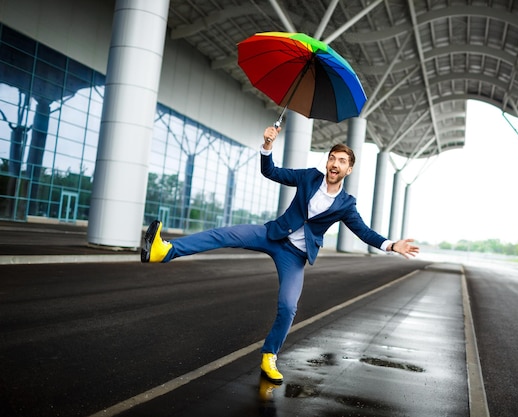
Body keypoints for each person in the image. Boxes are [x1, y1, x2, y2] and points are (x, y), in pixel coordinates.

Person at [141, 125, 420, 384]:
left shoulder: (347, 204)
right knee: (223, 234)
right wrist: (267, 146)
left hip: (295, 255)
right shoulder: (309, 176)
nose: (335, 164)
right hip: (273, 234)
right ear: (327, 162)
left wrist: (392, 245)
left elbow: (364, 232)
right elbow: (271, 172)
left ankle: (269, 356)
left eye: (342, 161)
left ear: (349, 169)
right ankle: (165, 251)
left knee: (288, 307)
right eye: (332, 158)